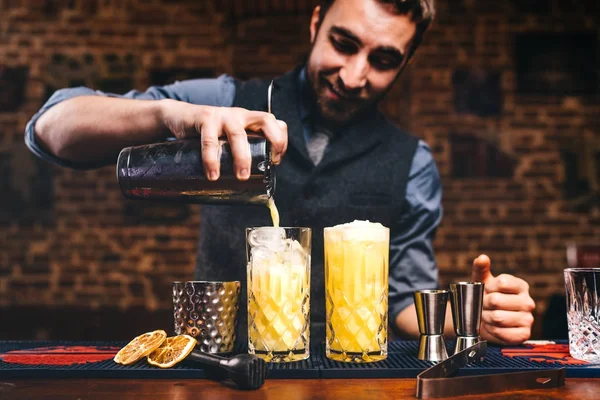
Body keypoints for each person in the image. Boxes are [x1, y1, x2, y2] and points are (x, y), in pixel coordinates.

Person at [25, 0, 535, 345]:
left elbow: (401, 302)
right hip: (219, 373)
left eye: (382, 60)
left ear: (404, 64)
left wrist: (471, 316)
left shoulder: (413, 162)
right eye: (343, 43)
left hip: (350, 384)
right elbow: (51, 127)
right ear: (316, 24)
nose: (355, 75)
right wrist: (170, 115)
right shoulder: (227, 101)